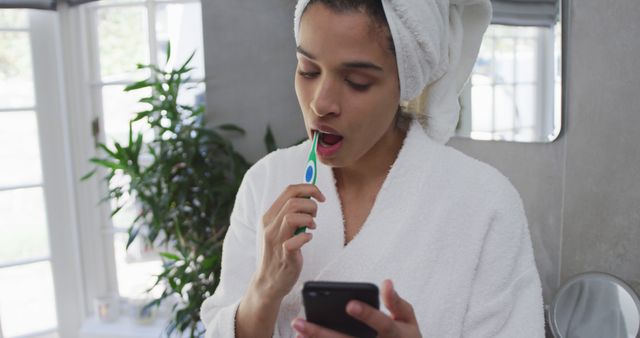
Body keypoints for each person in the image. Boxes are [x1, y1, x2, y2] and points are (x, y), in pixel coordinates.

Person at [201, 0, 545, 337]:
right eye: (308, 70)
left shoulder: (485, 203)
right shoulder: (265, 182)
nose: (320, 103)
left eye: (356, 81)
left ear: (405, 81)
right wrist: (264, 290)